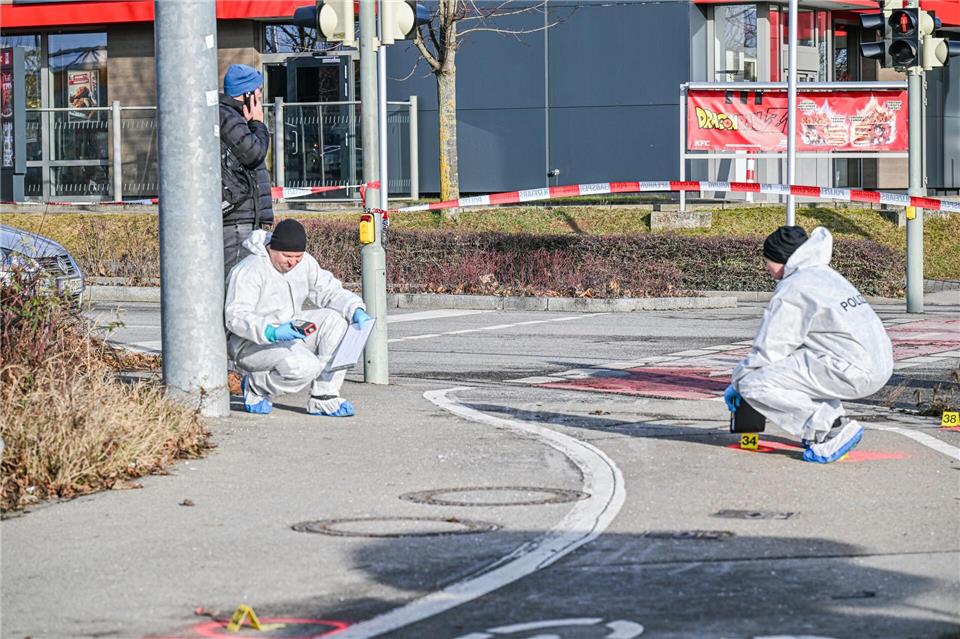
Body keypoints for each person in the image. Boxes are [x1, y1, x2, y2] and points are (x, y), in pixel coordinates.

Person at [723, 225, 894, 464]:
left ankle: (831, 428)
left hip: (853, 369)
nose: (766, 268)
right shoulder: (825, 275)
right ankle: (830, 421)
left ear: (783, 259)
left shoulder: (793, 289)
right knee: (795, 367)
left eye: (768, 261)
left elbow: (770, 348)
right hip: (876, 363)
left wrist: (739, 381)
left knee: (754, 384)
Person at [224, 219, 371, 416]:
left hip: (289, 331)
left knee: (336, 321)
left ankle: (324, 396)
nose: (292, 262)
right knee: (305, 366)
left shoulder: (305, 263)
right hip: (250, 343)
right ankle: (255, 386)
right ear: (271, 249)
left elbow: (328, 290)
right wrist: (271, 331)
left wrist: (355, 309)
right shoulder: (249, 270)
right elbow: (236, 316)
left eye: (298, 257)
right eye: (286, 256)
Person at [220, 63, 274, 277]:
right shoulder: (229, 118)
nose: (260, 102)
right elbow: (254, 153)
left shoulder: (232, 118)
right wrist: (258, 123)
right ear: (248, 95)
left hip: (242, 217)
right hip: (237, 219)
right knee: (236, 282)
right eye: (258, 96)